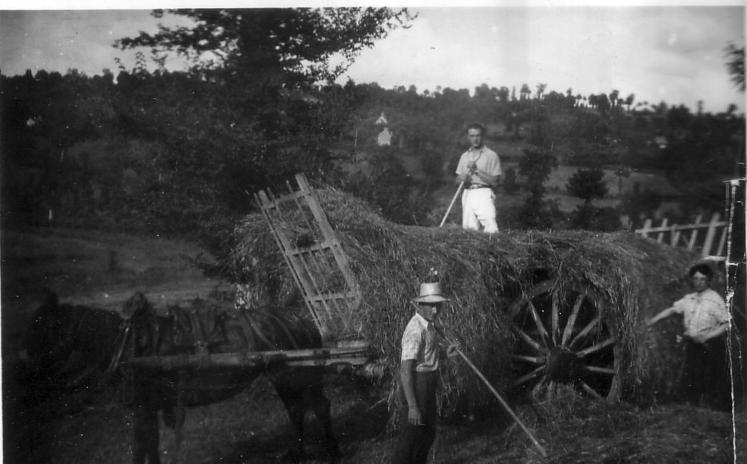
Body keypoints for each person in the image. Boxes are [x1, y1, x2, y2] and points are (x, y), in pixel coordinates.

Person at [647, 263, 732, 410]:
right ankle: (690, 407)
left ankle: (707, 409)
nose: (698, 282)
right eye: (696, 278)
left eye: (702, 279)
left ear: (709, 280)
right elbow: (672, 310)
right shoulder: (689, 298)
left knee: (707, 377)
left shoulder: (715, 300)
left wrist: (707, 337)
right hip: (693, 343)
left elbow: (726, 324)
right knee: (691, 375)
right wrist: (652, 321)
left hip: (710, 345)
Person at [392, 282, 458, 464]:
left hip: (429, 385)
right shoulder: (415, 330)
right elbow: (406, 371)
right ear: (421, 305)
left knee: (426, 437)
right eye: (431, 306)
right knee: (410, 441)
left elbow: (425, 358)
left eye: (439, 305)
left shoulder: (429, 327)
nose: (435, 310)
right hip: (417, 386)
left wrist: (445, 354)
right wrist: (413, 406)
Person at [454, 123, 502, 233]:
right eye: (472, 136)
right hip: (467, 193)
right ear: (467, 137)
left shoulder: (491, 155)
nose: (475, 139)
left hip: (483, 193)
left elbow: (495, 182)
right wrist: (461, 178)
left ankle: (493, 250)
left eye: (478, 135)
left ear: (483, 136)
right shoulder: (464, 156)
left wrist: (476, 171)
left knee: (491, 229)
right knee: (469, 230)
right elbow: (457, 180)